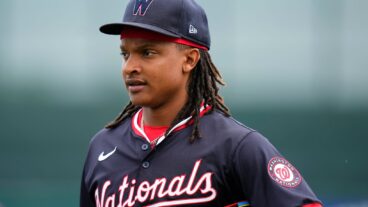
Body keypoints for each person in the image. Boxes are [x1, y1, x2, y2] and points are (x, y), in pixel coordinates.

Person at [80, 0, 323, 206]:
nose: (130, 67)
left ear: (189, 59)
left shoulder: (237, 146)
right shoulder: (102, 146)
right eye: (125, 54)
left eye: (147, 53)